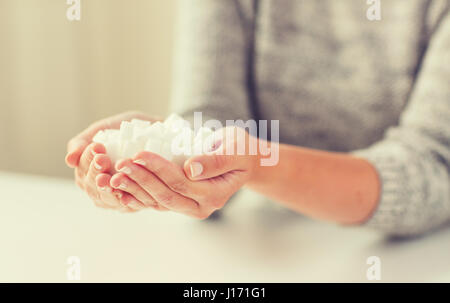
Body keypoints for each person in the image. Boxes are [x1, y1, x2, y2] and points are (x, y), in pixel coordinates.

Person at [65, 0, 450, 237]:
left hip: (411, 254)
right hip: (257, 238)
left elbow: (433, 170)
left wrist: (259, 165)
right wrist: (173, 145)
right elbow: (211, 115)